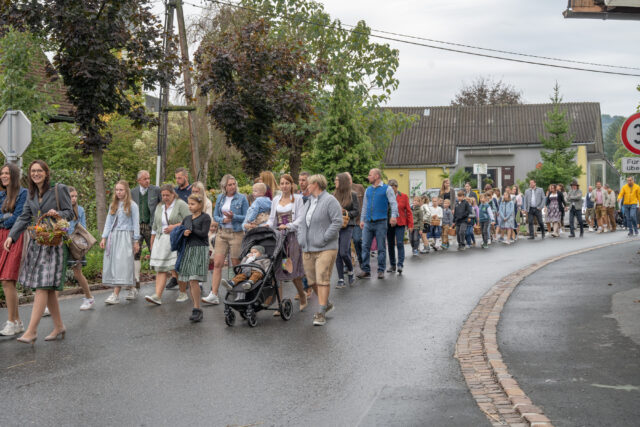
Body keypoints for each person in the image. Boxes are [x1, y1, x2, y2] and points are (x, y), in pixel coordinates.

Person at [5, 160, 74, 344]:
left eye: (39, 171)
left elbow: (70, 213)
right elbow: (24, 217)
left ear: (46, 173)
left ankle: (32, 331)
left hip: (54, 244)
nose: (36, 174)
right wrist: (12, 236)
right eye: (33, 171)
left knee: (42, 286)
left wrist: (58, 214)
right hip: (38, 243)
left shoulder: (59, 189)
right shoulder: (31, 193)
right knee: (48, 289)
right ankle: (59, 326)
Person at [297, 175, 342, 326]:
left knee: (322, 278)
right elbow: (301, 223)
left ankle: (321, 312)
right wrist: (301, 239)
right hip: (308, 248)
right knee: (312, 281)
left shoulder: (330, 200)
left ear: (316, 184)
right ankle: (326, 303)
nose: (306, 186)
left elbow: (337, 222)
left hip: (326, 248)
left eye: (308, 183)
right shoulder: (308, 202)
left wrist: (324, 238)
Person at [203, 174, 248, 305]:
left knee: (236, 264)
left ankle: (240, 292)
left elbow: (246, 216)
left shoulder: (242, 198)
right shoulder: (220, 198)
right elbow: (215, 215)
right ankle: (214, 294)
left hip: (236, 233)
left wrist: (234, 217)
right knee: (217, 263)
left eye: (234, 184)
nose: (232, 186)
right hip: (222, 233)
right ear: (224, 186)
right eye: (229, 185)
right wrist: (222, 220)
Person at [145, 185, 190, 305]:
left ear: (173, 194)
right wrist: (152, 242)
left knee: (176, 268)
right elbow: (155, 226)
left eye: (167, 195)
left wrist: (174, 227)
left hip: (176, 239)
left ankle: (183, 292)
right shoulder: (159, 207)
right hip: (161, 241)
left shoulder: (181, 204)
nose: (165, 197)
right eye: (163, 195)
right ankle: (157, 296)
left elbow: (190, 220)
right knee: (161, 268)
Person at [268, 174, 308, 311]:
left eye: (287, 183)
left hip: (291, 238)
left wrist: (289, 226)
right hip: (279, 238)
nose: (284, 186)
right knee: (278, 271)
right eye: (282, 183)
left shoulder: (297, 199)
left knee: (291, 270)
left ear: (291, 185)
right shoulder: (275, 200)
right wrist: (267, 226)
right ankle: (280, 305)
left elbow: (301, 218)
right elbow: (272, 218)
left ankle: (302, 295)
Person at [100, 180, 140, 304]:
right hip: (114, 236)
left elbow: (136, 223)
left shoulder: (132, 205)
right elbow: (108, 222)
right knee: (119, 264)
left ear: (126, 190)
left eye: (121, 190)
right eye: (117, 190)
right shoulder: (114, 205)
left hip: (126, 236)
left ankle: (115, 294)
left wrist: (136, 240)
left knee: (123, 264)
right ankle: (132, 288)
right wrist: (104, 237)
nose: (118, 192)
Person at [0, 163, 28, 336]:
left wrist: (4, 220)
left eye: (7, 173)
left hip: (15, 236)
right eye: (2, 173)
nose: (3, 176)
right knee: (7, 281)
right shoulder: (1, 194)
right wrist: (5, 218)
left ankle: (11, 322)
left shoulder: (23, 193)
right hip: (1, 236)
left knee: (8, 279)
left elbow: (19, 217)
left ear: (14, 175)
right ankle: (17, 322)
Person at [357, 169, 398, 280]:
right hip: (368, 222)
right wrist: (362, 219)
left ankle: (381, 270)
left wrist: (393, 216)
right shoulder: (368, 190)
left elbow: (393, 204)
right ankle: (366, 270)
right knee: (365, 246)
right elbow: (365, 206)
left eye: (370, 175)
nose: (368, 177)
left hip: (381, 222)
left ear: (376, 176)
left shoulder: (387, 189)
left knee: (381, 247)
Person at [177, 194, 212, 322]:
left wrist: (191, 230)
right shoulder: (186, 218)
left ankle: (197, 308)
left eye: (193, 204)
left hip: (200, 249)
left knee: (193, 279)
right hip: (188, 249)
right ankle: (196, 308)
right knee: (191, 281)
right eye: (189, 204)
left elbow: (203, 234)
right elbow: (182, 232)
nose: (190, 206)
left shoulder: (205, 217)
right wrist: (184, 233)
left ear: (200, 205)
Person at [66, 187, 96, 311]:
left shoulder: (80, 210)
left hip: (75, 245)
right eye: (71, 196)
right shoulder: (61, 210)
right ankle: (49, 305)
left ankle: (89, 298)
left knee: (78, 273)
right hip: (62, 244)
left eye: (75, 196)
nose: (74, 199)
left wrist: (72, 234)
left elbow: (83, 228)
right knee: (59, 275)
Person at [131, 170, 161, 289]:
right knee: (135, 252)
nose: (147, 181)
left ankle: (159, 280)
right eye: (145, 179)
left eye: (148, 178)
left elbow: (162, 206)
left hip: (151, 226)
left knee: (154, 251)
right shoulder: (133, 192)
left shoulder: (156, 190)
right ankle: (136, 280)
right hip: (137, 227)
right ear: (139, 181)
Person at [332, 173, 359, 288]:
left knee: (343, 252)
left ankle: (351, 270)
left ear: (342, 182)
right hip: (336, 226)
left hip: (348, 225)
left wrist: (346, 212)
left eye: (337, 180)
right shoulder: (333, 195)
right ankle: (341, 279)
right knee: (337, 253)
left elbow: (356, 211)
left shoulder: (353, 195)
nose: (335, 182)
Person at [386, 179, 412, 275]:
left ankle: (400, 264)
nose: (392, 190)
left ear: (396, 187)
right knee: (390, 244)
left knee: (400, 243)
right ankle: (392, 265)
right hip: (389, 223)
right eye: (390, 189)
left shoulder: (404, 196)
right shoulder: (386, 197)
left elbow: (408, 211)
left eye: (393, 188)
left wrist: (410, 224)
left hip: (400, 223)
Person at [297, 172, 314, 300]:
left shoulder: (313, 196)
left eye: (304, 180)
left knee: (306, 261)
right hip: (297, 231)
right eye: (300, 180)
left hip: (310, 232)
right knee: (298, 261)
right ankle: (303, 288)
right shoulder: (297, 196)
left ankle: (307, 287)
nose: (301, 182)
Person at [351, 182, 366, 269]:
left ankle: (361, 260)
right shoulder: (340, 190)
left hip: (357, 220)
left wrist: (364, 218)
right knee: (345, 244)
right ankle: (348, 264)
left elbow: (365, 202)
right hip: (346, 221)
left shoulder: (359, 187)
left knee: (357, 240)